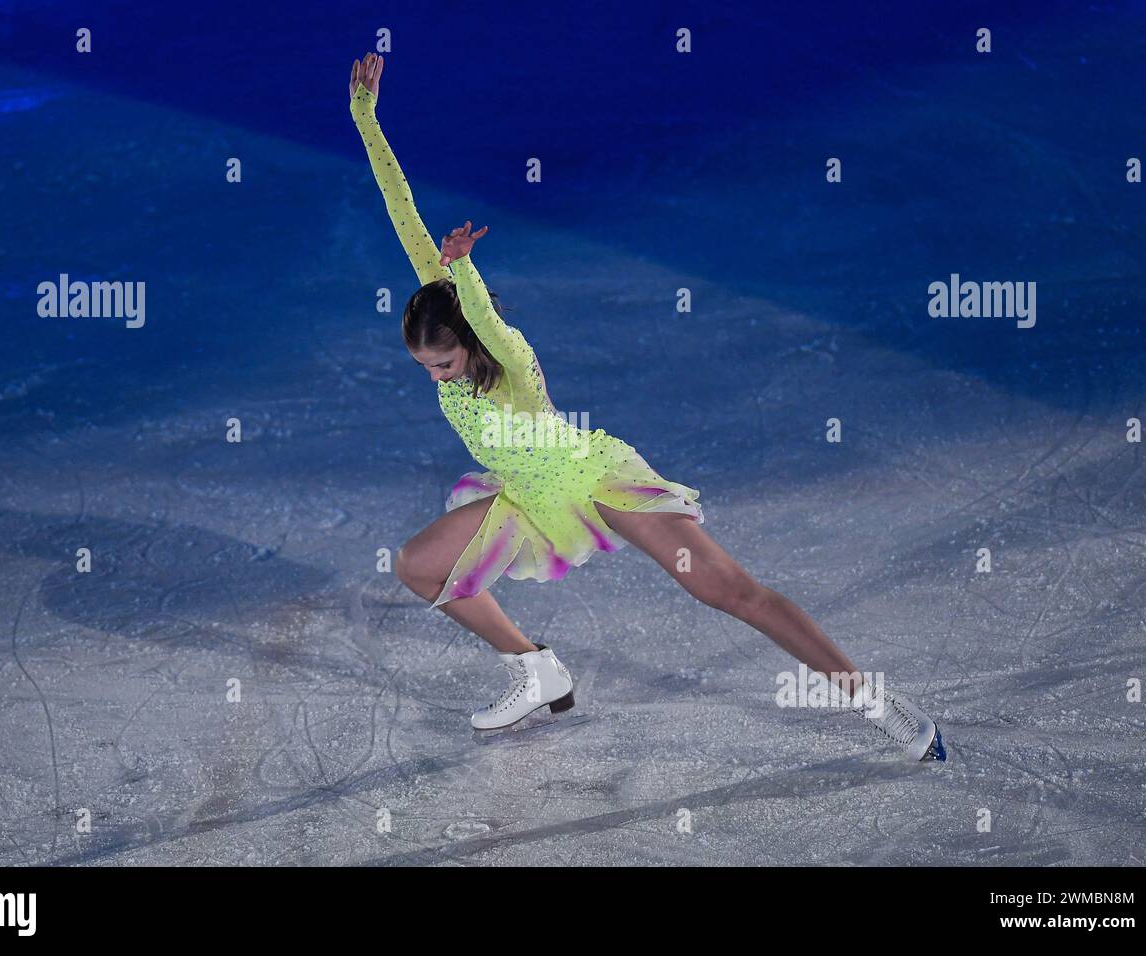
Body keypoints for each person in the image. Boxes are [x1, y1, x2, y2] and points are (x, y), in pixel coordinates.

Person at [348, 53, 944, 760]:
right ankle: (535, 668)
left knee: (730, 592)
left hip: (598, 481)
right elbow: (403, 213)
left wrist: (467, 268)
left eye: (443, 364)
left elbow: (479, 310)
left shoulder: (505, 356)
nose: (437, 379)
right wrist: (365, 117)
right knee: (418, 564)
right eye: (424, 368)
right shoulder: (443, 318)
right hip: (530, 499)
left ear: (469, 344)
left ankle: (877, 701)